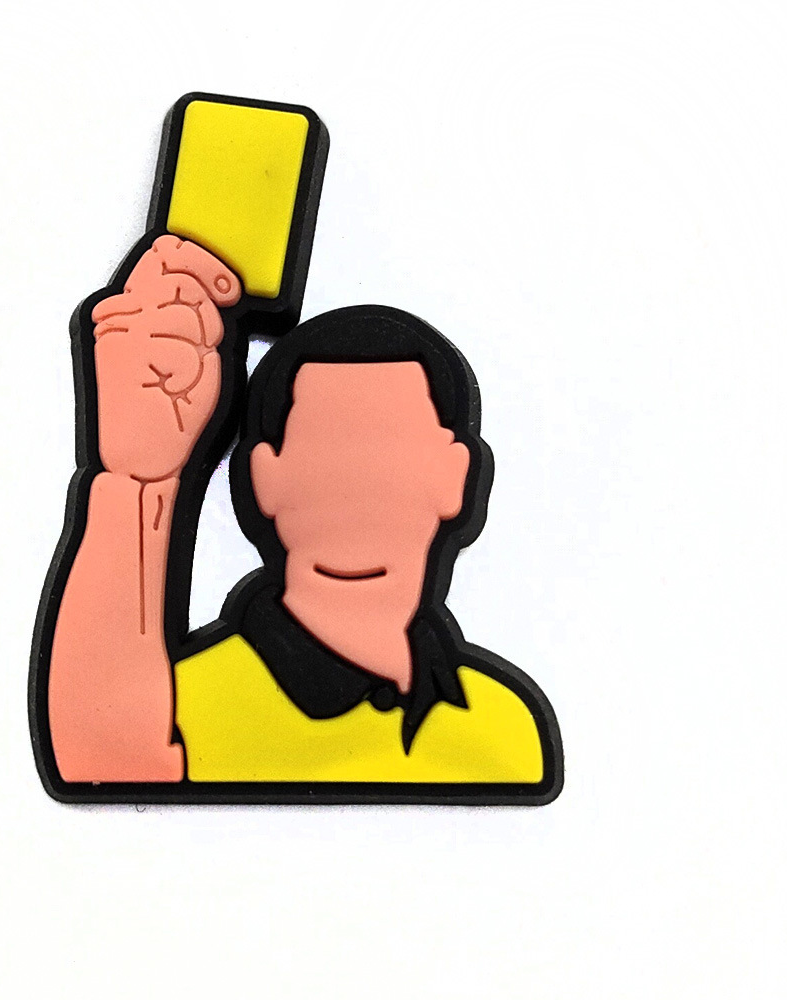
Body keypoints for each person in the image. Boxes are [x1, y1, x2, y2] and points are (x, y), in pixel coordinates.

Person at [42, 236, 562, 801]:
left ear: (454, 479)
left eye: (391, 465)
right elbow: (101, 752)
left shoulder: (504, 729)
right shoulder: (180, 711)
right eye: (323, 459)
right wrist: (141, 483)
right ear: (265, 480)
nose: (355, 515)